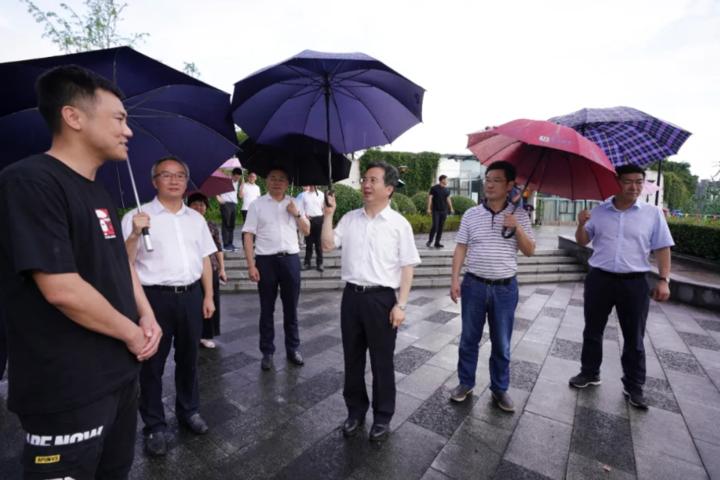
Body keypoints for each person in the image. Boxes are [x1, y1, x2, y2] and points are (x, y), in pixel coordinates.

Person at [0, 65, 161, 478]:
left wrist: (146, 316)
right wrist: (131, 333)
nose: (128, 131)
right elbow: (61, 288)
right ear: (73, 117)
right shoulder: (30, 182)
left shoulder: (99, 191)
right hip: (68, 387)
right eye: (120, 119)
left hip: (119, 376)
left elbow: (117, 266)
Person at [122, 156, 217, 456]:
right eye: (167, 175)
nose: (174, 180)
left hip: (190, 296)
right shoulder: (136, 216)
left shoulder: (196, 218)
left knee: (189, 359)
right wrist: (136, 234)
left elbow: (204, 259)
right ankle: (154, 426)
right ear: (154, 181)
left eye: (180, 175)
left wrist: (208, 296)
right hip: (154, 299)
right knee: (152, 365)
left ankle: (189, 411)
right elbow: (125, 263)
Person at [321, 161, 421, 443]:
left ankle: (382, 416)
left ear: (388, 189)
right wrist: (329, 215)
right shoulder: (350, 218)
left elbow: (407, 267)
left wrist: (400, 305)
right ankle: (355, 411)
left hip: (381, 299)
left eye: (373, 180)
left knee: (381, 362)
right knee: (352, 359)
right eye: (364, 179)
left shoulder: (399, 225)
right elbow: (328, 245)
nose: (366, 184)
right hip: (351, 297)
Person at [569, 164, 673, 409]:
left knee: (634, 336)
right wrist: (581, 224)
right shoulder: (600, 211)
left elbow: (662, 247)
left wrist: (664, 279)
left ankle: (634, 385)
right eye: (629, 181)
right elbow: (583, 241)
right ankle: (590, 372)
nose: (634, 187)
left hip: (635, 282)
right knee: (593, 330)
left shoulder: (652, 213)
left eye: (639, 181)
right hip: (600, 279)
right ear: (617, 182)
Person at [449, 161, 535, 412]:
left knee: (502, 343)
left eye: (497, 180)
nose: (489, 183)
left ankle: (500, 389)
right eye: (488, 178)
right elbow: (461, 247)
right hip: (474, 285)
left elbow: (530, 251)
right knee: (468, 339)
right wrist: (455, 279)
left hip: (505, 289)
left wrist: (516, 227)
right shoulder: (471, 214)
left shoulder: (519, 215)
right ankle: (465, 383)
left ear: (509, 185)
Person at [242, 168, 310, 371]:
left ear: (288, 182)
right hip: (266, 261)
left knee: (291, 309)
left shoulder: (294, 203)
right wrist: (251, 264)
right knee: (266, 309)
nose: (277, 182)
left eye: (281, 179)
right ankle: (267, 352)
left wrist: (296, 213)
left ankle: (293, 349)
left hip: (290, 260)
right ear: (266, 181)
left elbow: (306, 230)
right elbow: (247, 235)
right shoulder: (257, 205)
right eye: (273, 179)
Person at [188, 192, 227, 349]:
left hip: (211, 269)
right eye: (195, 204)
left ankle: (206, 335)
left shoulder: (210, 225)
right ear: (188, 206)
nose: (199, 207)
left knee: (210, 302)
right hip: (192, 270)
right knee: (193, 304)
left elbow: (218, 248)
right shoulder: (184, 224)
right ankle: (192, 334)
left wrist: (222, 269)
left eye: (202, 204)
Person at [216, 167, 243, 251]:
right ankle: (226, 244)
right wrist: (218, 198)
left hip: (234, 204)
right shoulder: (225, 180)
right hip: (225, 203)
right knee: (226, 224)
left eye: (239, 177)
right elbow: (216, 189)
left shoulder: (238, 182)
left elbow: (241, 193)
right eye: (236, 177)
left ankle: (230, 244)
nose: (237, 179)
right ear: (232, 175)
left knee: (232, 225)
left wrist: (242, 183)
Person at [301, 185, 326, 272]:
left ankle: (320, 263)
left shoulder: (321, 194)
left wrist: (324, 218)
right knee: (308, 243)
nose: (312, 185)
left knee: (318, 243)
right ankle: (307, 263)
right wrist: (304, 215)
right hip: (308, 220)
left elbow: (324, 207)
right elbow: (301, 207)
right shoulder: (304, 195)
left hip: (318, 219)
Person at [426, 175, 454, 248]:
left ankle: (437, 242)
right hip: (436, 211)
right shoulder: (434, 188)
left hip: (444, 211)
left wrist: (451, 208)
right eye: (446, 180)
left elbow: (448, 199)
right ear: (442, 180)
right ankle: (430, 241)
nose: (447, 181)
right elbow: (430, 198)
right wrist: (429, 208)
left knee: (441, 227)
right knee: (435, 226)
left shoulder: (447, 190)